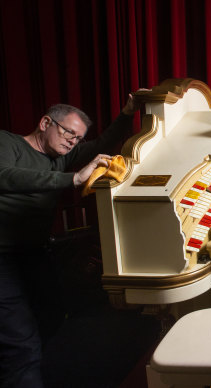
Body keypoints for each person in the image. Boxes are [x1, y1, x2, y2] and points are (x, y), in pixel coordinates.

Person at [0, 96, 141, 387]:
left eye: (78, 139)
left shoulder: (60, 157)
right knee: (21, 341)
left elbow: (103, 142)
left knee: (51, 320)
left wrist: (127, 113)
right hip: (3, 259)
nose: (72, 142)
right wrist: (72, 180)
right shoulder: (7, 143)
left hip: (35, 255)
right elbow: (5, 176)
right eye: (69, 133)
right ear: (45, 123)